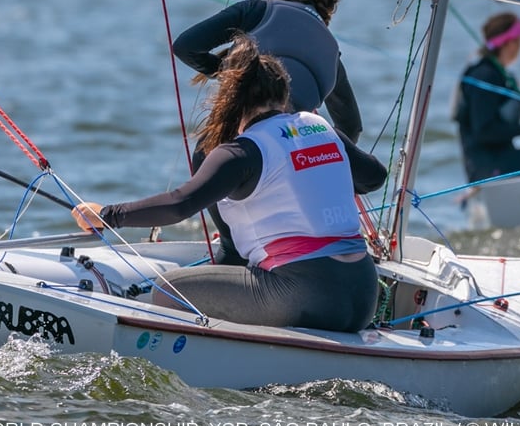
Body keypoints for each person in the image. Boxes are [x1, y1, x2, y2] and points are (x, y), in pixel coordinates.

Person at [71, 35, 387, 333]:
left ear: (230, 100)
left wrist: (107, 215)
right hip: (363, 297)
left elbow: (180, 204)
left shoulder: (242, 152)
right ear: (283, 95)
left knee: (168, 291)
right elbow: (375, 177)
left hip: (307, 298)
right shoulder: (321, 128)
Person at [171, 0, 361, 264]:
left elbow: (185, 46)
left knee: (207, 156)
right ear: (331, 2)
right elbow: (351, 126)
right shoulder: (330, 49)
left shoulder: (254, 11)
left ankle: (231, 251)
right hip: (289, 164)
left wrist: (233, 74)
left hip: (228, 150)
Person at [453, 12, 520, 188]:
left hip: (499, 160)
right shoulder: (484, 75)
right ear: (510, 43)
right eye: (519, 41)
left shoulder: (497, 73)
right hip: (487, 168)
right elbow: (484, 131)